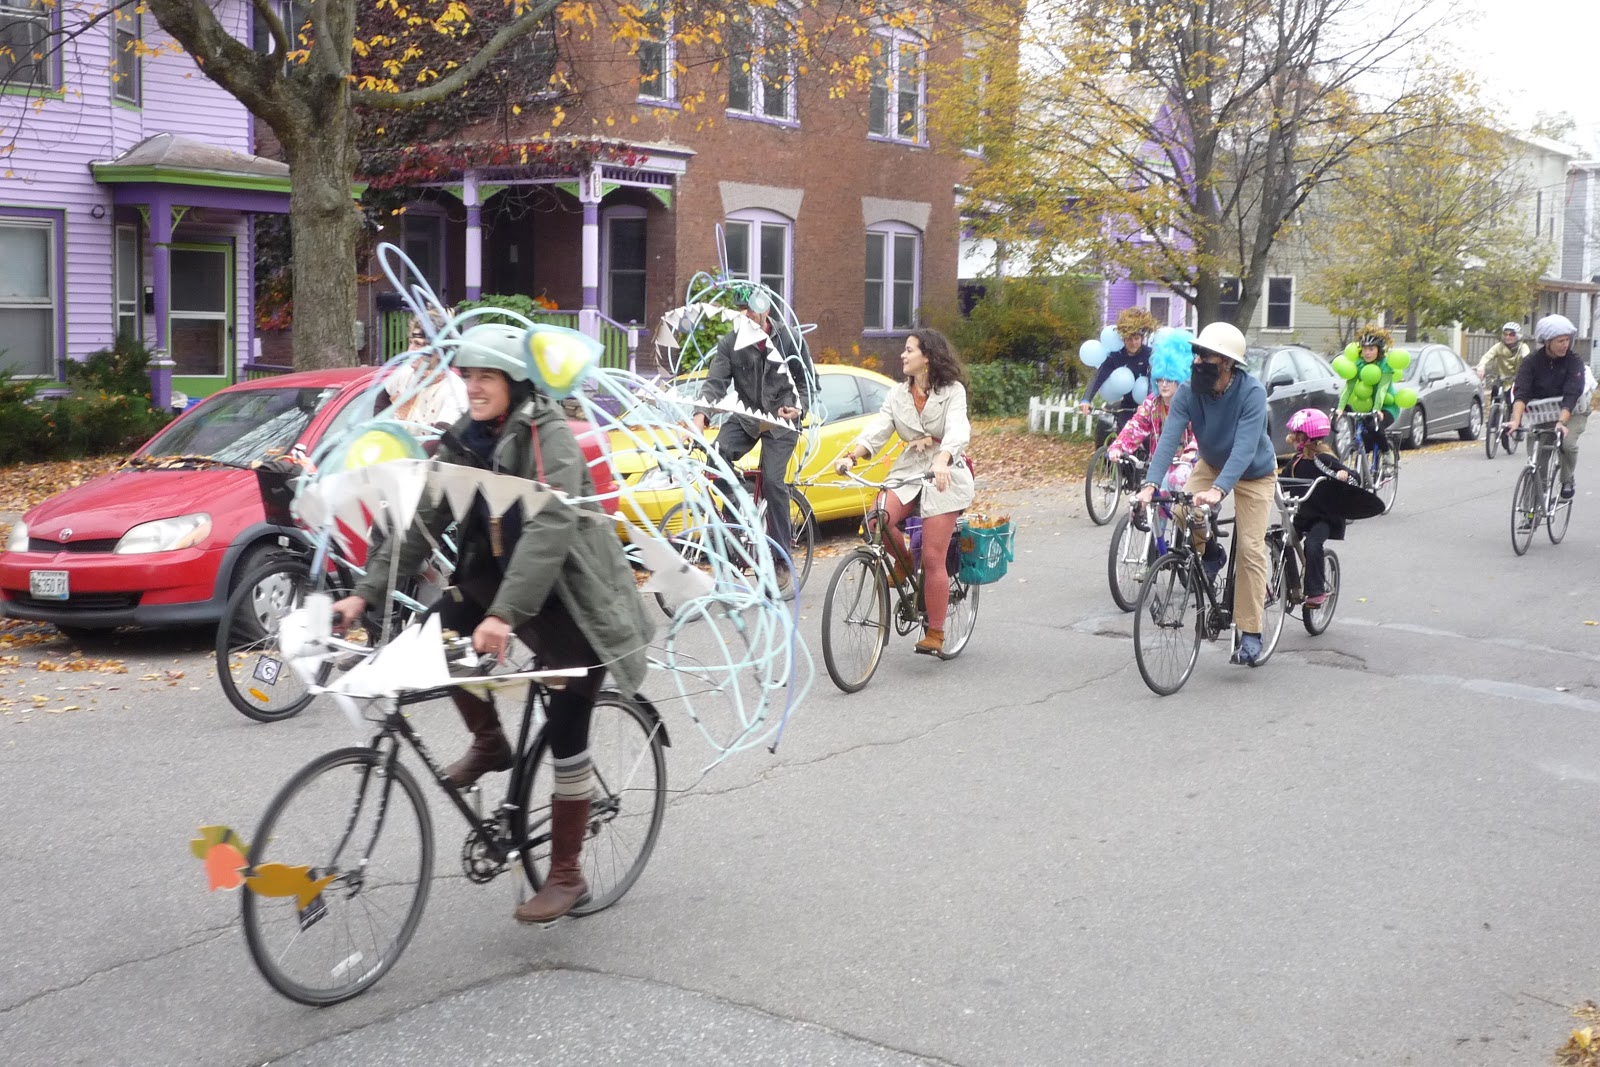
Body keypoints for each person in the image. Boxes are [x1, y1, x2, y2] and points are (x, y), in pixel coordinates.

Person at [331, 323, 654, 925]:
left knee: (566, 729)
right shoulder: (466, 439)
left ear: (515, 381)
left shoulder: (547, 438)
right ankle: (490, 740)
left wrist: (505, 614)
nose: (473, 388)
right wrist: (364, 594)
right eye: (468, 376)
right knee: (434, 638)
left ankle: (566, 875)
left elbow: (549, 531)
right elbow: (419, 519)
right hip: (502, 582)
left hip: (572, 599)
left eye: (486, 377)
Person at [1135, 321, 1278, 666]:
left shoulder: (1251, 393)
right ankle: (1211, 552)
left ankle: (1250, 631)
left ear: (1227, 362)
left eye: (1205, 356)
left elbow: (1244, 449)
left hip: (1253, 473)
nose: (1197, 362)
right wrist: (1151, 484)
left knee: (1250, 549)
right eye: (1196, 354)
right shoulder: (1188, 391)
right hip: (1211, 464)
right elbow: (1169, 438)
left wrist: (1218, 491)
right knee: (1182, 509)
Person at [833, 328, 974, 655]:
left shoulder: (952, 391)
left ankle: (936, 632)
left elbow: (958, 429)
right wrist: (853, 456)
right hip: (909, 470)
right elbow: (878, 431)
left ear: (928, 357)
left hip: (945, 473)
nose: (903, 355)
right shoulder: (897, 394)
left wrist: (942, 459)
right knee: (876, 520)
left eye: (909, 350)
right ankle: (905, 563)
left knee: (934, 555)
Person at [692, 288, 811, 594]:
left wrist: (798, 408)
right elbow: (714, 383)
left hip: (782, 422)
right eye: (740, 311)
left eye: (749, 310)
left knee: (773, 481)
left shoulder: (789, 339)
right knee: (715, 455)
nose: (745, 316)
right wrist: (700, 417)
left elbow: (808, 382)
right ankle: (739, 506)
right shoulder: (731, 343)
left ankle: (782, 557)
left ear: (764, 311)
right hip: (747, 418)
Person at [1505, 313, 1590, 499]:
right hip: (1542, 414)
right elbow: (1521, 393)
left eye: (1567, 340)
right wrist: (1515, 421)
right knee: (1538, 459)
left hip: (1573, 412)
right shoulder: (1531, 362)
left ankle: (1567, 478)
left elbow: (1571, 394)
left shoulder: (1573, 362)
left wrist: (1561, 422)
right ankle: (1531, 509)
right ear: (1547, 341)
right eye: (1560, 341)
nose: (1565, 345)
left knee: (1566, 444)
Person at [1105, 334, 1198, 492]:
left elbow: (1202, 432)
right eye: (1159, 380)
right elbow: (1137, 425)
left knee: (1176, 483)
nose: (1163, 385)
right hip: (1159, 464)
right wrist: (1119, 447)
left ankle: (1184, 516)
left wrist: (1192, 451)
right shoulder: (1153, 403)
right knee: (1143, 502)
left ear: (1181, 379)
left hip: (1188, 465)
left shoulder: (1193, 403)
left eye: (1169, 380)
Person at [1279, 408, 1352, 608]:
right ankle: (1291, 586)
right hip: (1302, 514)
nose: (1292, 439)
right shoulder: (1296, 462)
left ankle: (1316, 591)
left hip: (1324, 517)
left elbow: (1353, 476)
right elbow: (1281, 481)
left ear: (1306, 437)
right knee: (1280, 538)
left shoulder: (1326, 460)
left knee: (1312, 544)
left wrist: (1344, 476)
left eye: (1295, 435)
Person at [1080, 307, 1158, 435]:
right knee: (1123, 437)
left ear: (1142, 338)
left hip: (1149, 406)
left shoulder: (1149, 355)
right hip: (1127, 405)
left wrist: (1148, 406)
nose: (1133, 343)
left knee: (1149, 441)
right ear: (1123, 339)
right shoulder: (1117, 356)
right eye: (1129, 339)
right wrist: (1086, 400)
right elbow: (1099, 376)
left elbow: (1152, 383)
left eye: (1137, 338)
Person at [1338, 325, 1403, 451]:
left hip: (1386, 406)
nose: (1367, 353)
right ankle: (1365, 466)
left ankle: (1386, 454)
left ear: (1378, 350)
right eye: (1364, 349)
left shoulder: (1385, 365)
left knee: (1375, 428)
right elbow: (1349, 387)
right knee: (1363, 437)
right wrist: (1340, 408)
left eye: (1371, 349)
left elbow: (1382, 389)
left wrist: (1377, 409)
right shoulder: (1358, 364)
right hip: (1365, 406)